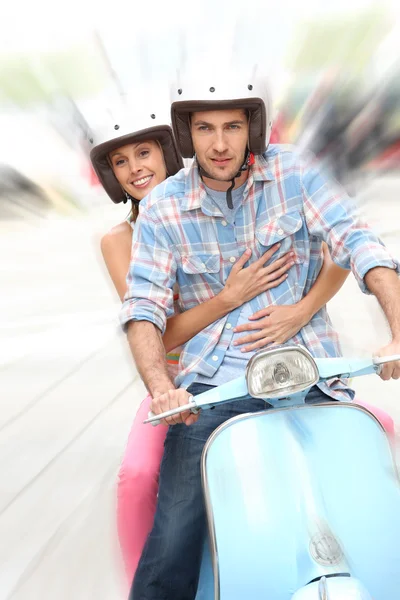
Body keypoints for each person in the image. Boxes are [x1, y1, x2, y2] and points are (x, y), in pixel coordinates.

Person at [120, 70, 400, 600]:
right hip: (213, 393)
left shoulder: (294, 171)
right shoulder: (163, 207)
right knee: (176, 527)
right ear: (186, 134)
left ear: (254, 127)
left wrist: (397, 328)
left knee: (373, 500)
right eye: (205, 128)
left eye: (232, 126)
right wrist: (163, 388)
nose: (220, 144)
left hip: (314, 373)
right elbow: (143, 308)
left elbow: (358, 239)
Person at [90, 98, 351, 582]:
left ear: (171, 152)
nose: (135, 169)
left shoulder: (240, 197)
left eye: (144, 154)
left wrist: (301, 310)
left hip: (276, 365)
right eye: (121, 162)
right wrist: (228, 297)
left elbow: (335, 248)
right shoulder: (128, 236)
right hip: (179, 379)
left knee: (373, 430)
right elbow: (156, 328)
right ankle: (149, 581)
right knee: (141, 477)